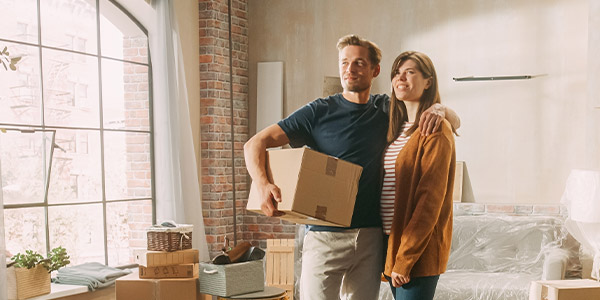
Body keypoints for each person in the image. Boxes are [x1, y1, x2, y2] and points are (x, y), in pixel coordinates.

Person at [244, 35, 459, 300]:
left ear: (375, 70)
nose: (350, 68)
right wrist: (263, 184)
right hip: (324, 237)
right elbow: (255, 143)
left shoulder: (389, 110)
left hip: (370, 237)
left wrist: (440, 109)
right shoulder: (318, 112)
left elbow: (442, 118)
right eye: (344, 62)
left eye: (359, 62)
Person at [382, 51, 456, 300]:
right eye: (396, 73)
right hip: (393, 243)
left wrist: (405, 258)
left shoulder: (436, 129)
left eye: (410, 72)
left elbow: (429, 202)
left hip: (416, 251)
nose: (400, 78)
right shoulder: (396, 128)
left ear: (428, 81)